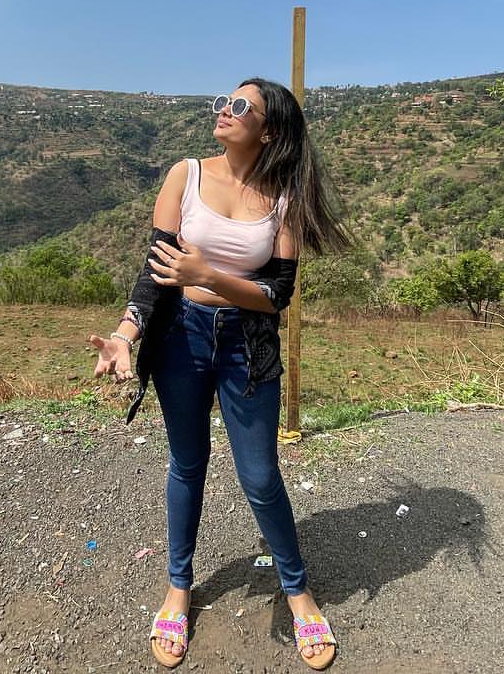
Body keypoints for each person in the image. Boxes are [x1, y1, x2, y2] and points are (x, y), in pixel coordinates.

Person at [88, 79, 352, 670]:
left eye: (240, 107)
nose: (224, 112)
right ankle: (178, 587)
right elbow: (156, 272)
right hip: (181, 336)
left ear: (270, 131)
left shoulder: (283, 196)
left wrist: (209, 275)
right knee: (187, 463)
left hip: (246, 345)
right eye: (223, 102)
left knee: (260, 475)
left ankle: (298, 592)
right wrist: (126, 334)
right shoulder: (186, 175)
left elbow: (277, 294)